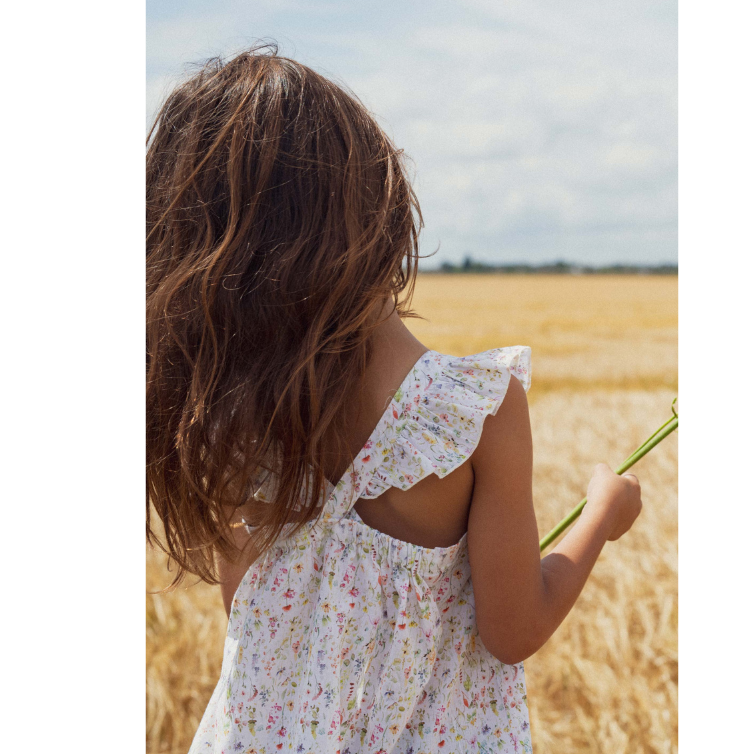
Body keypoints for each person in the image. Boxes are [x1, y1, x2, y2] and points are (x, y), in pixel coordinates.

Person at [146, 44, 643, 754]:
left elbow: (250, 609)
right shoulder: (472, 412)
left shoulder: (225, 418)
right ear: (374, 211)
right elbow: (512, 631)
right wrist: (603, 510)